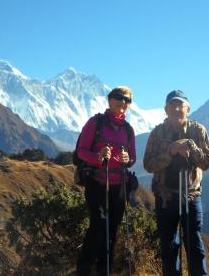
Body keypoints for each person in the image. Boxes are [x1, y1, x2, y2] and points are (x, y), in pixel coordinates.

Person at [143, 90, 209, 276]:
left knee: (195, 245)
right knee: (168, 246)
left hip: (190, 196)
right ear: (166, 109)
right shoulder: (157, 133)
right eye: (172, 105)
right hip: (165, 197)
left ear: (188, 109)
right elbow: (148, 164)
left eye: (180, 105)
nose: (176, 109)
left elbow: (206, 162)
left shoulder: (198, 131)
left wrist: (189, 148)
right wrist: (171, 151)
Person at [76, 86, 136, 276]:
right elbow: (81, 151)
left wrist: (128, 160)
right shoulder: (95, 123)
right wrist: (98, 157)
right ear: (110, 100)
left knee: (112, 230)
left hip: (119, 187)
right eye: (119, 97)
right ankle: (83, 270)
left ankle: (104, 270)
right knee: (98, 227)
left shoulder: (128, 130)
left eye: (127, 100)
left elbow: (132, 157)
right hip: (97, 183)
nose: (123, 102)